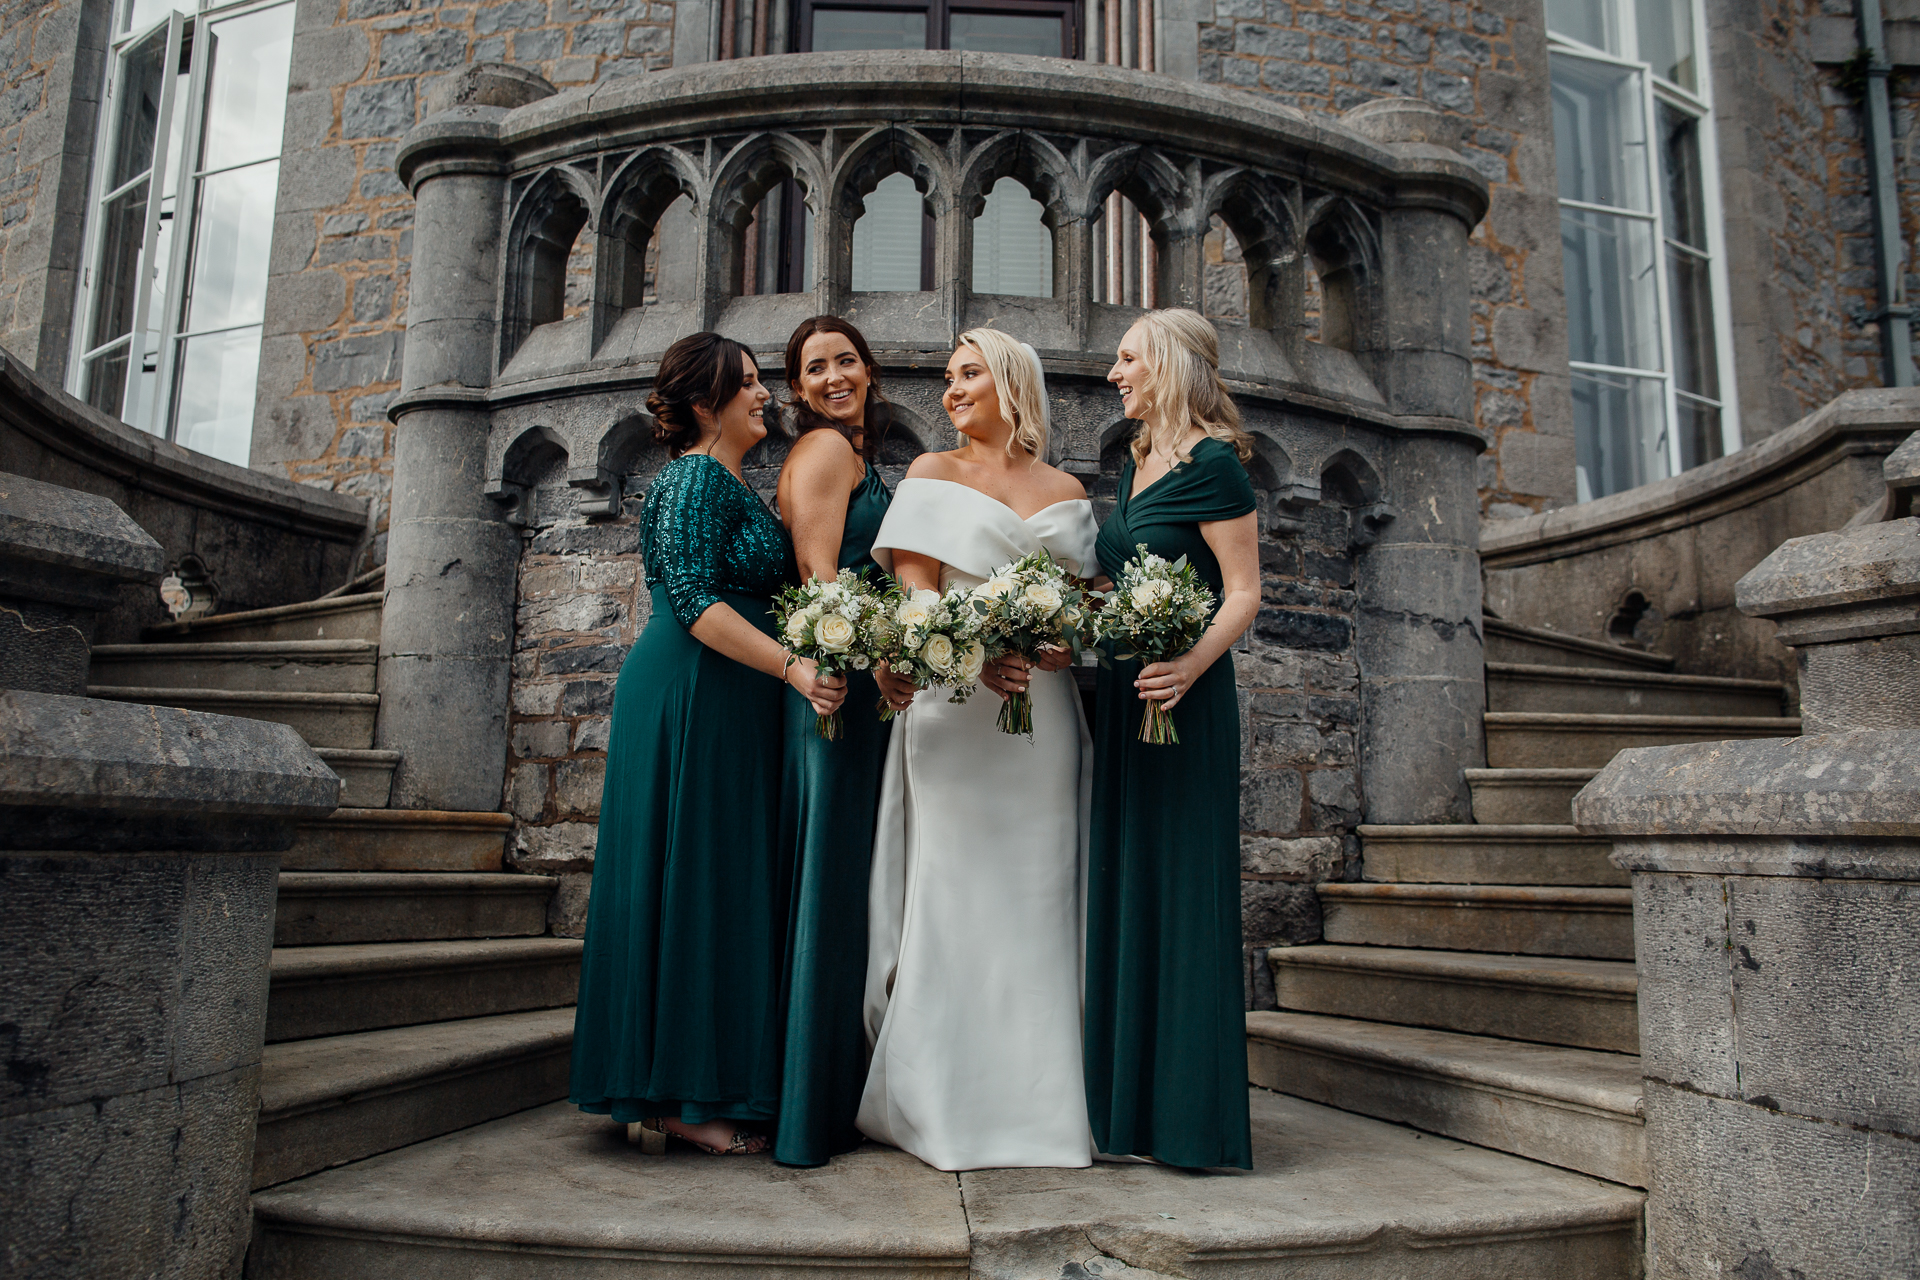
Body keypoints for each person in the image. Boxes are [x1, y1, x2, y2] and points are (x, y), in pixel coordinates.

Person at [570, 332, 845, 1157]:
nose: (767, 395)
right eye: (751, 384)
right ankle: (681, 1099)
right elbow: (690, 597)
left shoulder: (731, 482)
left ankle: (700, 1081)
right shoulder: (693, 477)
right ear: (705, 403)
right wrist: (794, 666)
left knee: (715, 880)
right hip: (691, 690)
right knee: (688, 878)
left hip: (732, 694)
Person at [857, 326, 1100, 1171]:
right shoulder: (932, 475)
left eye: (968, 375)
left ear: (1010, 382)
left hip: (1043, 719)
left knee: (1038, 897)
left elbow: (1076, 623)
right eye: (949, 378)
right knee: (952, 890)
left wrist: (1053, 647)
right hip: (954, 710)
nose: (951, 391)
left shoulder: (1066, 488)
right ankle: (937, 1103)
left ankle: (1044, 1110)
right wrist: (976, 653)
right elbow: (916, 596)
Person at [1083, 308, 1262, 1170]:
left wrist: (1189, 666)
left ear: (1171, 365)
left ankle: (1191, 1121)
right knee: (1128, 883)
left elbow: (1241, 592)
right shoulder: (1133, 463)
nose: (1116, 373)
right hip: (1126, 694)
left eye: (1129, 359)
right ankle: (1130, 1114)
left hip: (1183, 697)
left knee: (1181, 890)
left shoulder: (1215, 464)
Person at [770, 316, 914, 1166]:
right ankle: (808, 1114)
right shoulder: (824, 453)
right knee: (831, 880)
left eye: (846, 360)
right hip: (833, 689)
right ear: (797, 388)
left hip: (858, 685)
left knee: (853, 881)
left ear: (870, 370)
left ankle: (832, 1092)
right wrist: (883, 658)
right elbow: (821, 580)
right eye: (815, 367)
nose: (834, 376)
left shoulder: (860, 455)